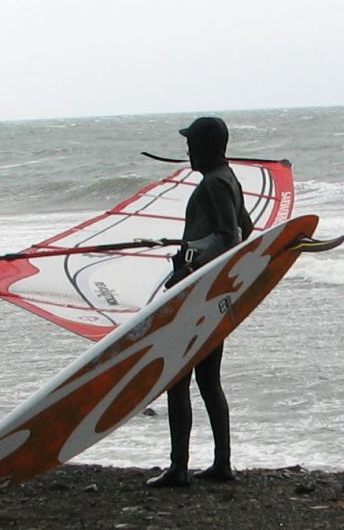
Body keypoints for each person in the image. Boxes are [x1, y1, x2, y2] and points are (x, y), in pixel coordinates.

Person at [146, 117, 254, 488]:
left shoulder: (213, 184)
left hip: (198, 295)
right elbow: (246, 228)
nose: (188, 150)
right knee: (208, 380)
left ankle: (179, 468)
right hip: (212, 294)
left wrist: (191, 269)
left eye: (192, 143)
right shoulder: (228, 179)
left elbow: (228, 238)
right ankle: (222, 463)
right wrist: (190, 251)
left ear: (208, 146)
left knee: (176, 379)